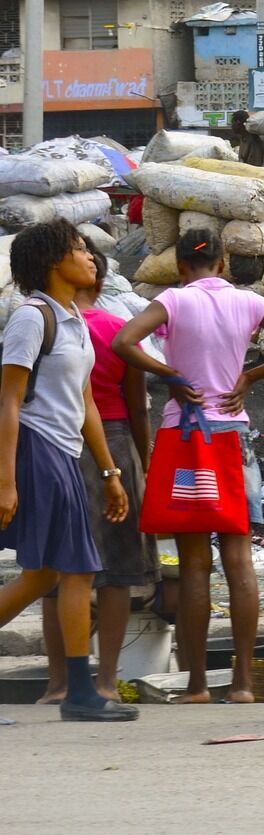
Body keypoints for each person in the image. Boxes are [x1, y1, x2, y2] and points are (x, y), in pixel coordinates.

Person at [113, 230, 264, 703]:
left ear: (180, 265)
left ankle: (197, 685)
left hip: (184, 436)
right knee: (239, 558)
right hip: (232, 437)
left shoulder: (172, 300)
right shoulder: (248, 304)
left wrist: (169, 374)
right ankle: (245, 683)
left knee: (193, 564)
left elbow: (125, 342)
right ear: (223, 262)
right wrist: (250, 374)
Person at [0, 221, 139, 721]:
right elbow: (9, 402)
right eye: (79, 249)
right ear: (53, 261)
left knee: (42, 577)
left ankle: (81, 693)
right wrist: (6, 481)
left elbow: (86, 404)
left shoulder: (75, 319)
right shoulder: (32, 318)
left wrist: (109, 472)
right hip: (36, 450)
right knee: (76, 570)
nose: (89, 257)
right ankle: (80, 694)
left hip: (64, 453)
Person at [39, 251, 156, 705]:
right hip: (113, 443)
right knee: (117, 571)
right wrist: (140, 464)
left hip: (55, 446)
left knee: (55, 572)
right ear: (103, 281)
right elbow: (136, 404)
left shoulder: (47, 327)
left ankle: (59, 683)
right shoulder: (115, 331)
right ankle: (106, 680)